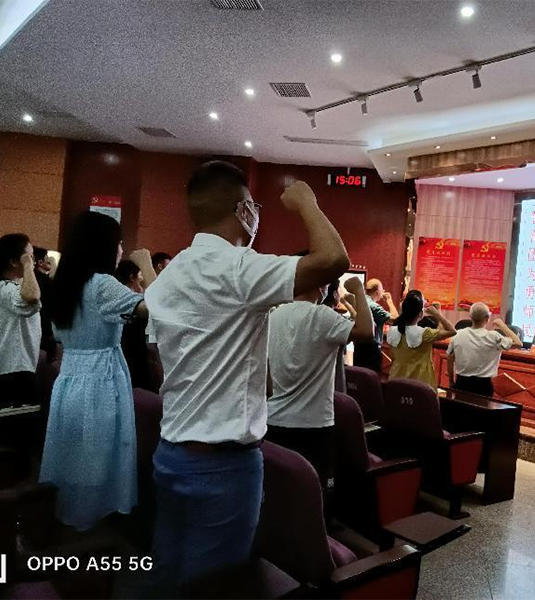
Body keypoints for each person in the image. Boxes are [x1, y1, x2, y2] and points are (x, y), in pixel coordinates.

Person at [144, 160, 349, 589]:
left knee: (167, 573)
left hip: (171, 452)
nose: (256, 214)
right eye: (253, 206)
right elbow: (333, 259)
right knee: (215, 586)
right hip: (222, 468)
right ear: (242, 211)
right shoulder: (237, 267)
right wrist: (307, 202)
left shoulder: (169, 276)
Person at [39, 212, 156, 531]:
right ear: (102, 246)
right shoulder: (103, 285)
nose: (121, 250)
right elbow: (157, 307)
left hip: (70, 377)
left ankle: (71, 518)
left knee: (73, 454)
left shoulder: (64, 284)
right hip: (100, 379)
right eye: (119, 243)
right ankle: (93, 526)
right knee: (98, 457)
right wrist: (146, 265)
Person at [266, 276, 373, 497]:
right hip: (312, 425)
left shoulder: (273, 315)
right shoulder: (322, 315)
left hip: (273, 420)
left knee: (280, 493)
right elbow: (366, 331)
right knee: (317, 494)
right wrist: (358, 290)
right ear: (321, 285)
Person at [0, 234, 41, 412]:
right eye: (29, 257)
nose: (33, 262)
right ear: (14, 262)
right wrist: (27, 266)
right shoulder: (5, 290)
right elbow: (32, 297)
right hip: (11, 374)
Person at [446, 303, 522, 397]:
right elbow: (518, 343)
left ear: (470, 317)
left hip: (461, 383)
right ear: (487, 318)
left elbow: (450, 358)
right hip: (483, 386)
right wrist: (502, 325)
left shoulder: (458, 335)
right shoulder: (493, 337)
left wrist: (451, 381)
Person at [387, 290, 456, 389]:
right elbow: (452, 331)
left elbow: (392, 355)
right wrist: (438, 314)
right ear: (420, 314)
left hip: (396, 378)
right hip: (420, 382)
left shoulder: (392, 331)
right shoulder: (424, 333)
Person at [115, 259, 152, 389]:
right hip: (135, 361)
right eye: (140, 279)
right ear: (132, 277)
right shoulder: (130, 301)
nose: (141, 287)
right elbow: (156, 307)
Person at [353, 278, 398, 373]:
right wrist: (389, 301)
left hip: (358, 348)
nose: (383, 291)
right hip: (371, 351)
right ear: (377, 292)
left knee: (358, 376)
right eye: (382, 289)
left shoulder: (359, 302)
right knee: (372, 378)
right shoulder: (374, 306)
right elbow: (395, 319)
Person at [33, 246, 57, 361]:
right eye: (47, 258)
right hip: (44, 325)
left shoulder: (34, 278)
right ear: (40, 262)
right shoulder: (43, 280)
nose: (50, 261)